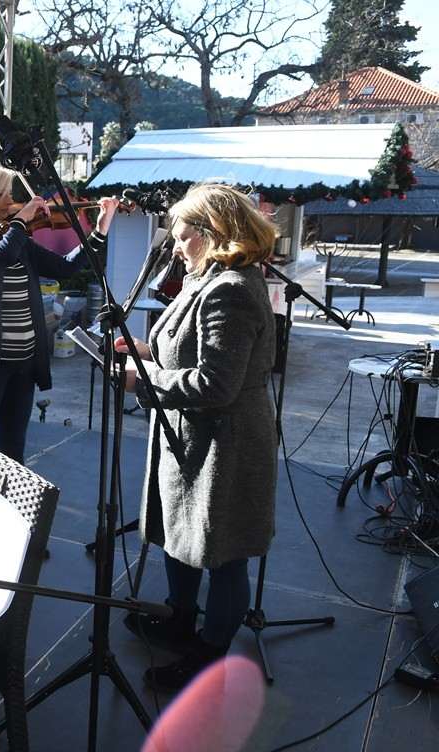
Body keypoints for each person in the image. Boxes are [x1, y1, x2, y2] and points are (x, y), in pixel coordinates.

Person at [115, 183, 278, 692]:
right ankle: (180, 619)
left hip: (226, 445)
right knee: (179, 533)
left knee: (223, 551)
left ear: (214, 234)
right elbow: (188, 349)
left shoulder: (232, 289)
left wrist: (144, 379)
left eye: (184, 236)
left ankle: (210, 655)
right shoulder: (205, 279)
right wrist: (146, 351)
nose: (177, 245)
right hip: (192, 437)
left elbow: (217, 383)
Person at [0, 161, 120, 464]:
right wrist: (21, 220)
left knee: (14, 453)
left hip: (23, 365)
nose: (10, 202)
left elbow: (65, 267)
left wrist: (100, 230)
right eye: (2, 195)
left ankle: (10, 497)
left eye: (10, 195)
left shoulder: (18, 240)